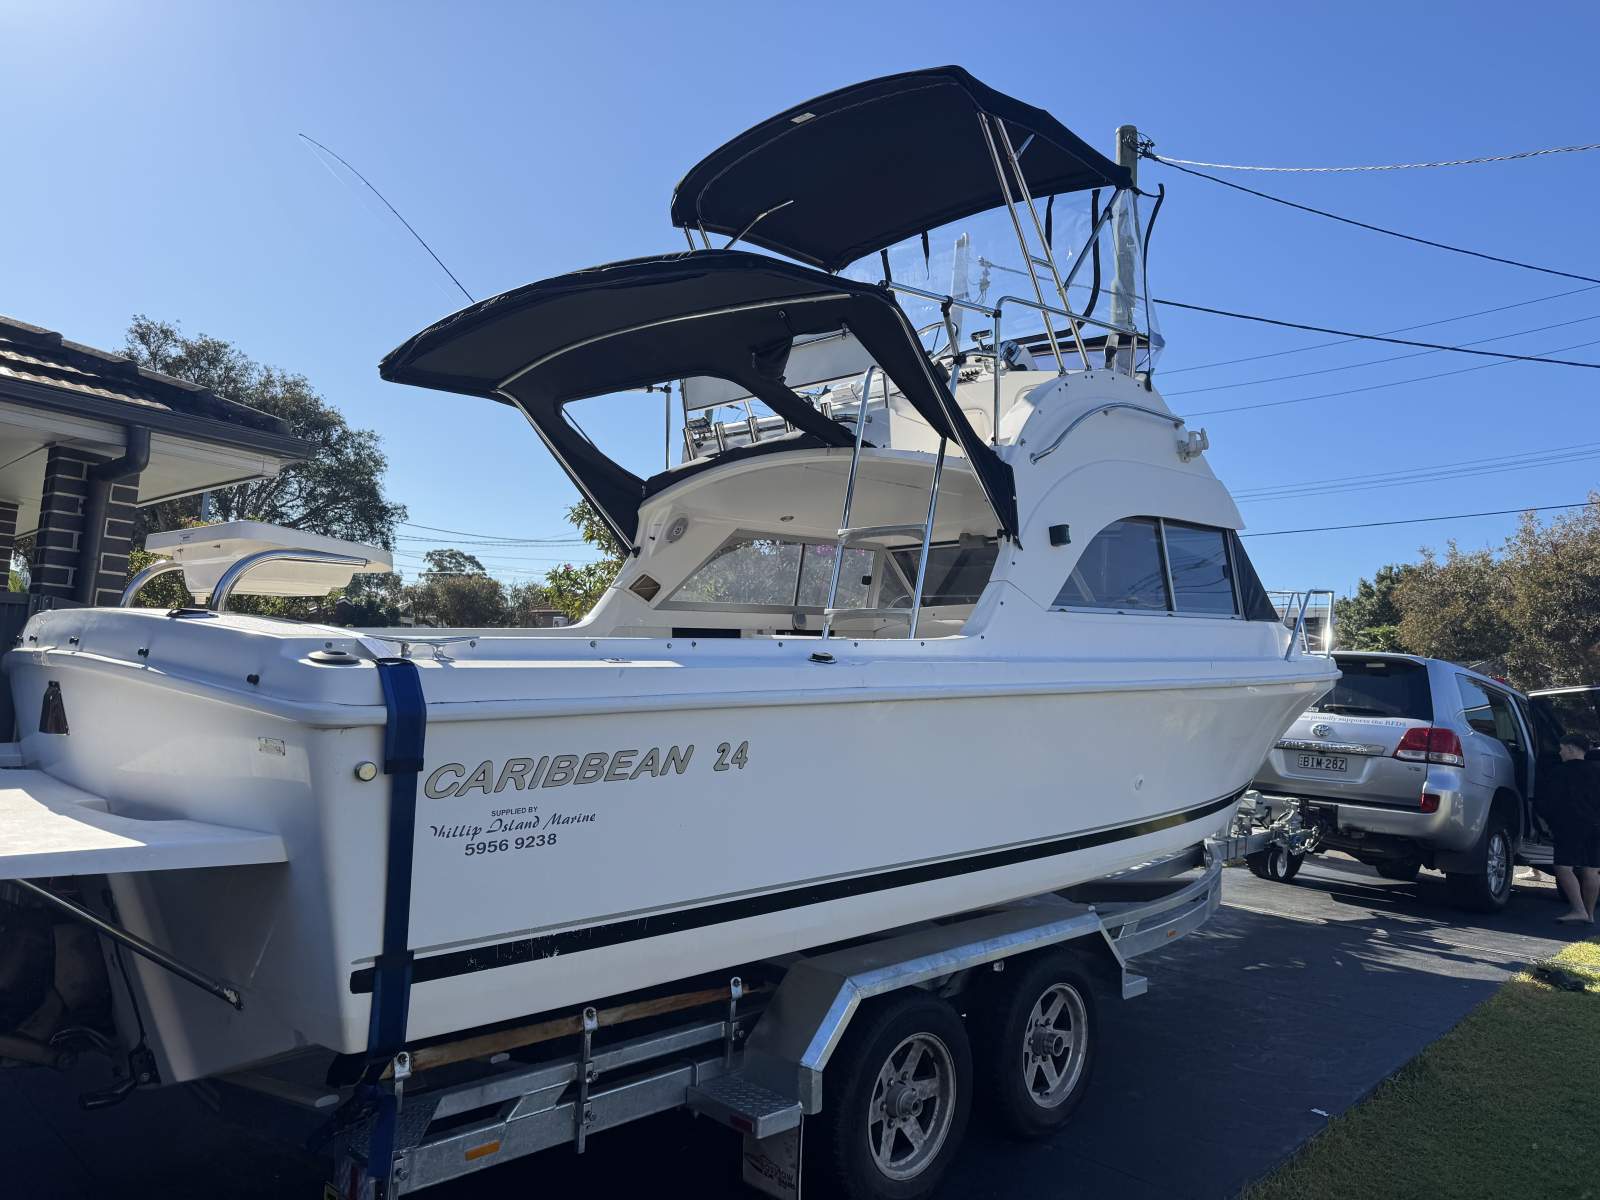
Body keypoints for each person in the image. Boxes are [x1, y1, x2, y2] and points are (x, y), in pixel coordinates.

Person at [1543, 734, 1600, 924]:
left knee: (1563, 867)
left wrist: (1548, 823)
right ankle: (1590, 914)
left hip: (1570, 824)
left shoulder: (1560, 772)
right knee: (1591, 870)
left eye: (1561, 748)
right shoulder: (1597, 770)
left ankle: (1578, 909)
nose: (1559, 752)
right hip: (1596, 825)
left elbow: (1551, 801)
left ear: (1571, 748)